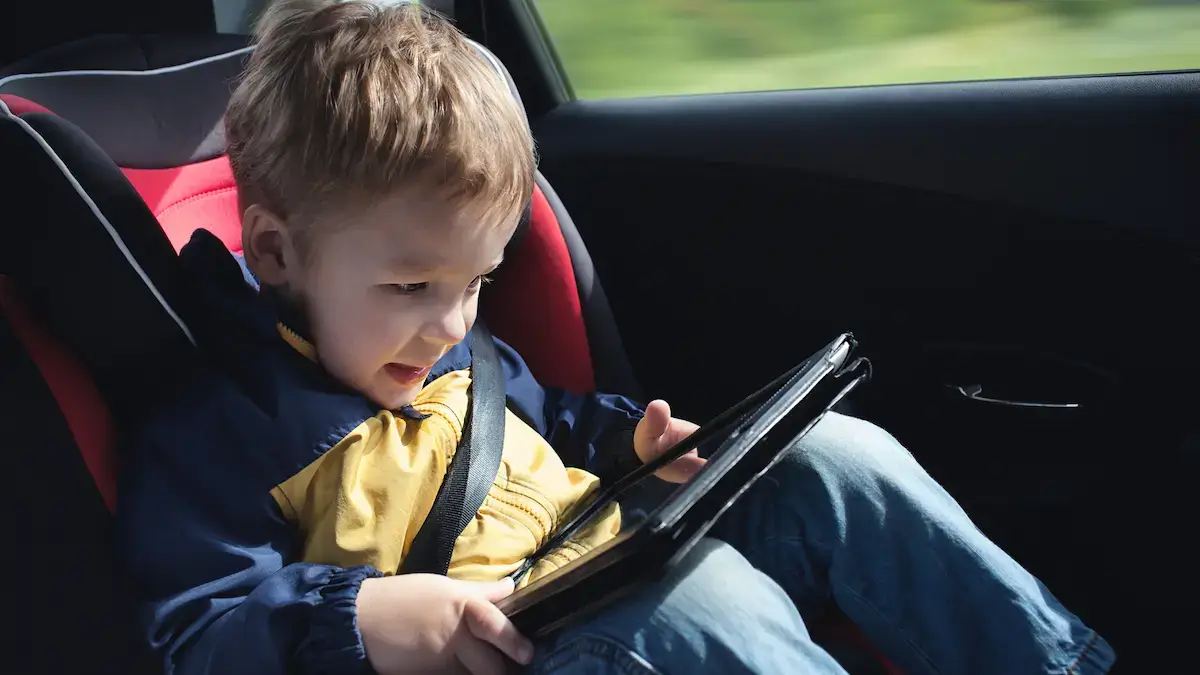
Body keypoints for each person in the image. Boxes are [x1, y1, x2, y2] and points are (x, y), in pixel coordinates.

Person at [114, 2, 1115, 675]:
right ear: (279, 255)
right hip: (517, 637)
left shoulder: (444, 344)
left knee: (839, 458)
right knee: (708, 603)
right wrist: (374, 620)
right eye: (414, 284)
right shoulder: (223, 422)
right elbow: (201, 623)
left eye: (477, 284)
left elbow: (548, 423)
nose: (455, 321)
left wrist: (635, 443)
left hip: (610, 544)